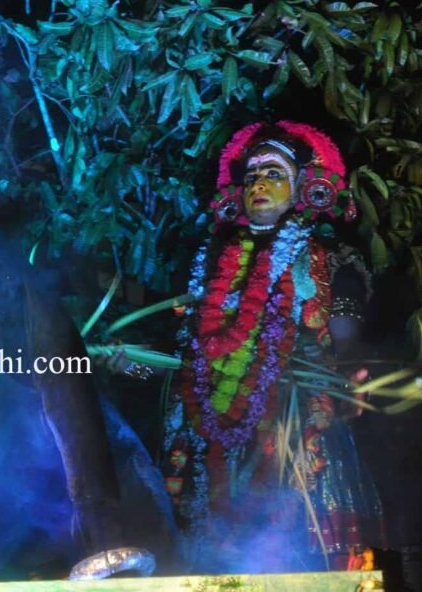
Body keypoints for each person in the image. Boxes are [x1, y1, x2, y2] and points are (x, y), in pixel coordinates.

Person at [162, 121, 384, 572]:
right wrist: (130, 365)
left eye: (273, 174)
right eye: (251, 176)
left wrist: (352, 372)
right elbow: (182, 348)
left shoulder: (327, 256)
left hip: (293, 420)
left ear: (304, 187)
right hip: (211, 421)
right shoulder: (210, 261)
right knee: (209, 557)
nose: (258, 184)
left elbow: (346, 335)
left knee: (296, 553)